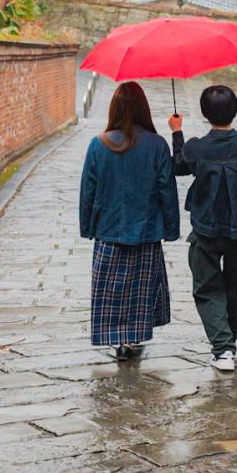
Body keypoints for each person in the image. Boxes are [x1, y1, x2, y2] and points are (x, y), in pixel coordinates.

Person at [168, 84, 237, 372]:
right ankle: (229, 341)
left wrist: (176, 132)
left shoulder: (196, 148)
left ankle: (223, 347)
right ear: (235, 111)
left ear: (205, 114)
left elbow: (178, 166)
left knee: (206, 287)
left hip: (205, 230)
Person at [79, 81, 180, 361]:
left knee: (111, 289)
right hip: (146, 230)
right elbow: (166, 190)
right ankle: (133, 338)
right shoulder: (157, 145)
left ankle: (117, 338)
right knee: (139, 288)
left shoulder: (97, 145)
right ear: (143, 109)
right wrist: (171, 228)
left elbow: (88, 190)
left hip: (108, 230)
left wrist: (87, 227)